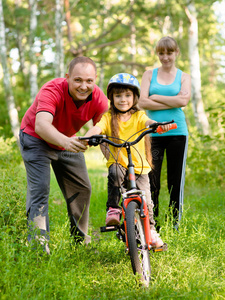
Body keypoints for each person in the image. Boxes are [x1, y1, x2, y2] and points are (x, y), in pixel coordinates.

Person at [19, 56, 108, 253]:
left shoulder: (99, 98)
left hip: (67, 140)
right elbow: (41, 125)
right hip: (36, 139)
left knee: (83, 188)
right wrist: (67, 142)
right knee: (40, 190)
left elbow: (105, 128)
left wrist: (112, 158)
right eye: (77, 80)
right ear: (67, 77)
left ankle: (80, 242)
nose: (83, 86)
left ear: (95, 80)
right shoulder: (52, 89)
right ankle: (39, 248)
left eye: (89, 81)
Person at [83, 73, 171, 249]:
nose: (123, 99)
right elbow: (98, 127)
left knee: (147, 200)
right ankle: (113, 209)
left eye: (127, 95)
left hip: (140, 167)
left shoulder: (139, 116)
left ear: (135, 97)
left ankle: (151, 231)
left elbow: (148, 122)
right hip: (119, 164)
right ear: (112, 98)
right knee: (115, 172)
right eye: (118, 95)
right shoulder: (109, 117)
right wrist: (88, 136)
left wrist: (157, 125)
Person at [139, 36, 191, 230]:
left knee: (175, 181)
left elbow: (183, 102)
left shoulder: (184, 76)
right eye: (161, 53)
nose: (165, 57)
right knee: (152, 182)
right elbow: (142, 102)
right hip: (153, 133)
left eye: (169, 52)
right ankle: (153, 224)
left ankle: (175, 224)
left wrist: (156, 96)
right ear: (157, 53)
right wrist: (172, 99)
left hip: (178, 133)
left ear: (176, 52)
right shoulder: (148, 75)